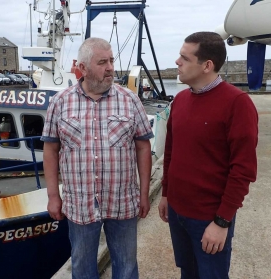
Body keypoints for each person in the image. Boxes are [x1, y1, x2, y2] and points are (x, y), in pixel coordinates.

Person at [41, 37, 154, 279]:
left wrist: (144, 192)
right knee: (81, 267)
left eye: (111, 60)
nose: (111, 67)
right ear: (82, 68)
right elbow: (51, 150)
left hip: (122, 202)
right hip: (80, 205)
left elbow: (143, 147)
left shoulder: (130, 100)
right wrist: (53, 196)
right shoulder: (60, 102)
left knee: (126, 266)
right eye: (102, 62)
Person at [158, 31, 258, 279]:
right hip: (177, 212)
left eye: (184, 57)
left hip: (209, 218)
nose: (177, 62)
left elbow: (243, 170)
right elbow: (170, 152)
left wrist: (222, 222)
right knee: (188, 274)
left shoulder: (237, 104)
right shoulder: (180, 101)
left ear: (207, 65)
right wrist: (166, 194)